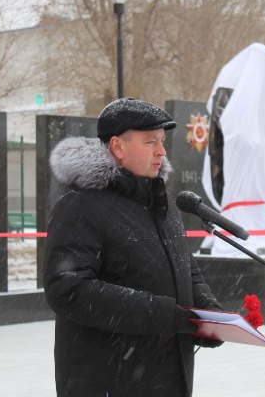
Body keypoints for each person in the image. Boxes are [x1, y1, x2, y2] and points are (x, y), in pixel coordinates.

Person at [44, 97, 223, 397]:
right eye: (150, 141)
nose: (161, 151)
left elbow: (184, 266)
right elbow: (68, 289)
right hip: (110, 379)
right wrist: (164, 314)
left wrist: (208, 313)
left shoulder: (160, 203)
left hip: (167, 375)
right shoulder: (80, 205)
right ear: (117, 147)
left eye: (162, 141)